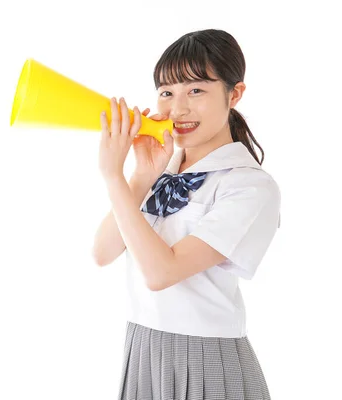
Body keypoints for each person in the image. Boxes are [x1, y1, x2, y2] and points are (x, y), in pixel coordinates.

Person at [92, 29, 280, 399]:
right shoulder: (159, 169)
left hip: (207, 356)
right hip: (143, 347)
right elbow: (102, 252)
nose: (177, 109)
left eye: (196, 90)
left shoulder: (249, 186)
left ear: (234, 93)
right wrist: (139, 176)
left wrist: (111, 175)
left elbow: (162, 273)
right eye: (167, 92)